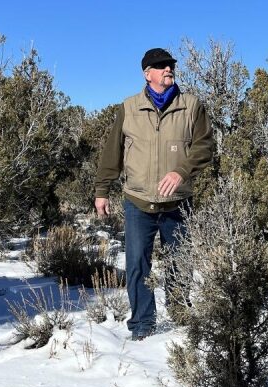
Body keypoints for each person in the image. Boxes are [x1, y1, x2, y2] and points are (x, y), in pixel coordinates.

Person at [94, 48, 215, 341]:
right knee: (138, 266)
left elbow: (205, 147)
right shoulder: (130, 107)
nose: (168, 69)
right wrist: (102, 190)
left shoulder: (191, 106)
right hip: (138, 202)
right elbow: (113, 152)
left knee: (180, 264)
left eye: (170, 65)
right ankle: (143, 326)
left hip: (178, 203)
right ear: (147, 74)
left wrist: (181, 172)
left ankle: (181, 319)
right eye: (161, 66)